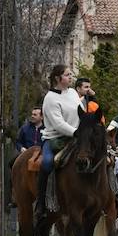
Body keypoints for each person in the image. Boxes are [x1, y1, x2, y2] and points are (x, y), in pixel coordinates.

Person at [35, 64, 81, 223]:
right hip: (56, 138)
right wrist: (75, 132)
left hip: (77, 137)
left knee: (105, 156)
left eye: (70, 74)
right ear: (57, 78)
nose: (70, 77)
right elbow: (58, 124)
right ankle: (41, 202)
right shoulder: (50, 98)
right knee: (47, 163)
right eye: (67, 75)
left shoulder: (74, 93)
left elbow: (81, 112)